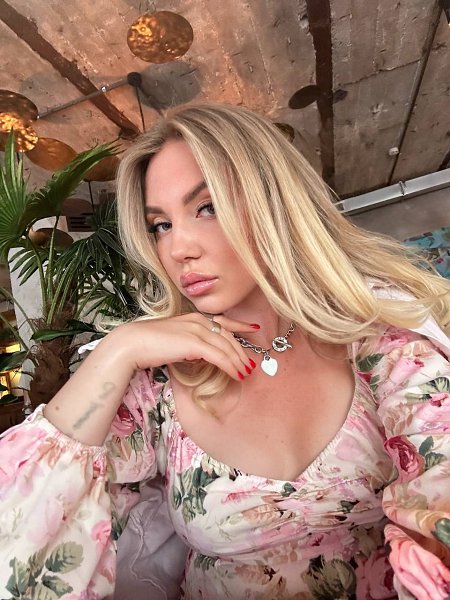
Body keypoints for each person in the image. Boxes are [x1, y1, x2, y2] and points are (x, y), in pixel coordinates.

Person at [1, 103, 450, 600]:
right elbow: (24, 532)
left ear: (274, 202)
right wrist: (118, 348)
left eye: (207, 207)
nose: (178, 249)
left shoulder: (380, 341)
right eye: (160, 225)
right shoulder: (158, 386)